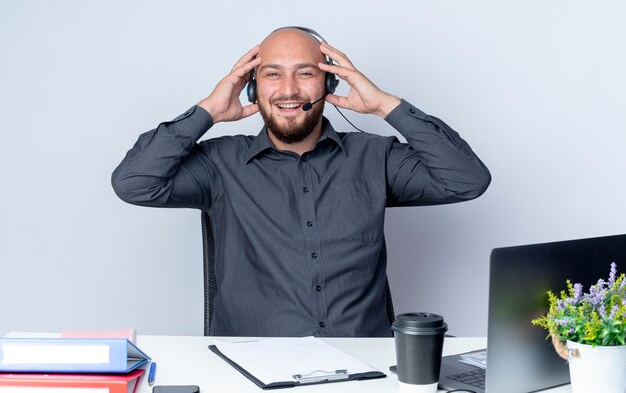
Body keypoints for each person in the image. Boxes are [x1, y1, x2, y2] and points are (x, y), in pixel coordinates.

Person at [112, 26, 491, 337]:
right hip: (251, 370)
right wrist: (207, 111)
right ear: (251, 87)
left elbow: (467, 181)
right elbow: (133, 182)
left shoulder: (374, 157)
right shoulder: (219, 163)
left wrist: (384, 105)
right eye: (273, 74)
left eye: (305, 73)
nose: (289, 90)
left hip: (366, 371)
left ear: (329, 84)